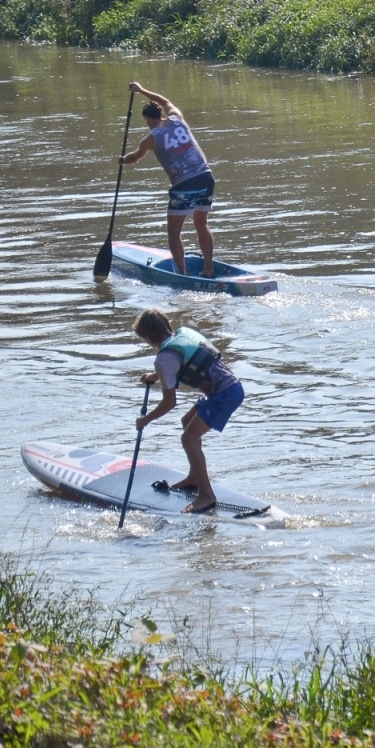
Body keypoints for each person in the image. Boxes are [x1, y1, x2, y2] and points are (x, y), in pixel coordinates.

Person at [132, 309, 245, 515]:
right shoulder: (183, 335)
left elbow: (169, 403)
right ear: (167, 325)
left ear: (148, 337)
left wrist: (145, 420)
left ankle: (206, 496)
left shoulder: (163, 359)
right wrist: (154, 376)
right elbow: (180, 364)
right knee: (187, 422)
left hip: (224, 394)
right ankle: (195, 477)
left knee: (188, 439)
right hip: (231, 386)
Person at [118, 82, 218, 278]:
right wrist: (141, 90)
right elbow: (165, 101)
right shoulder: (178, 118)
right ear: (160, 112)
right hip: (206, 178)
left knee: (173, 231)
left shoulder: (151, 138)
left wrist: (122, 160)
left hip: (184, 184)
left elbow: (135, 157)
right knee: (201, 224)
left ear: (147, 118)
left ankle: (182, 275)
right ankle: (208, 269)